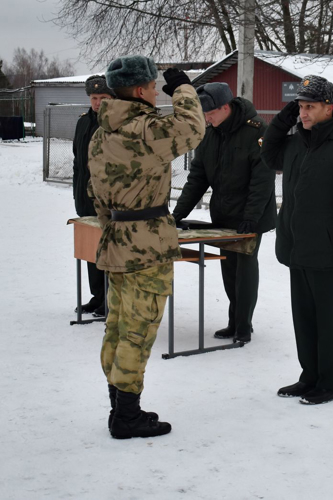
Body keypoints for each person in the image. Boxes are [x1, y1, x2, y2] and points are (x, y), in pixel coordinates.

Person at [88, 56, 205, 438]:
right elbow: (192, 127)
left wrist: (113, 228)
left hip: (117, 239)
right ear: (140, 90)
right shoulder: (145, 128)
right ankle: (127, 416)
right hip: (146, 246)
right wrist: (184, 88)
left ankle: (118, 406)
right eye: (154, 86)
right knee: (138, 330)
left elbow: (97, 195)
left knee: (118, 327)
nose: (158, 92)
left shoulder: (102, 132)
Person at [260, 75, 333, 405]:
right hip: (298, 246)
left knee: (327, 316)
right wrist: (284, 120)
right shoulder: (299, 141)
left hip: (328, 249)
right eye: (300, 106)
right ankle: (309, 376)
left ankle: (330, 382)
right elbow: (269, 155)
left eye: (310, 106)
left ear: (330, 107)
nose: (303, 112)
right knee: (304, 316)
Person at [172, 82, 276, 344]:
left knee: (245, 269)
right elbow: (198, 177)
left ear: (225, 107)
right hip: (223, 214)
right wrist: (178, 213)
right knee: (229, 270)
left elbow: (262, 181)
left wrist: (250, 216)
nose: (206, 118)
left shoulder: (257, 132)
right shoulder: (211, 134)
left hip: (251, 216)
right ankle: (234, 321)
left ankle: (243, 325)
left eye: (210, 113)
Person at [72, 75, 115, 317]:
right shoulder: (83, 123)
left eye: (103, 97)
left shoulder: (114, 124)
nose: (98, 102)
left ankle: (110, 298)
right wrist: (78, 194)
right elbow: (79, 162)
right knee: (92, 249)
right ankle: (97, 296)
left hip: (107, 199)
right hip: (85, 197)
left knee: (108, 250)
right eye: (94, 98)